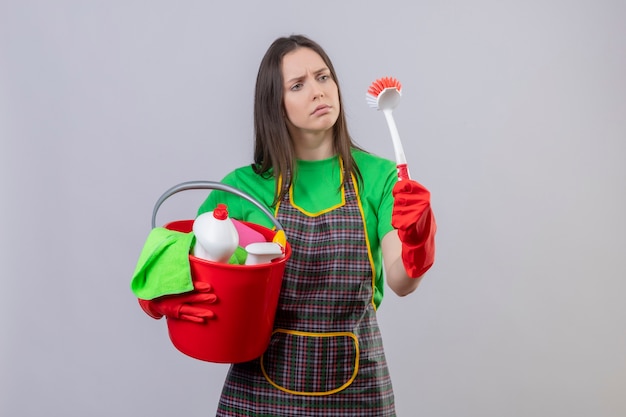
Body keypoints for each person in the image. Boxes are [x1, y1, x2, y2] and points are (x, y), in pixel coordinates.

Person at [138, 34, 436, 416]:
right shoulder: (242, 190)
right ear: (275, 106)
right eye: (298, 85)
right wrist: (162, 296)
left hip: (358, 394)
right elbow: (171, 260)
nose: (318, 92)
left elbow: (401, 281)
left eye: (323, 77)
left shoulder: (379, 177)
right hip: (258, 395)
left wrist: (419, 239)